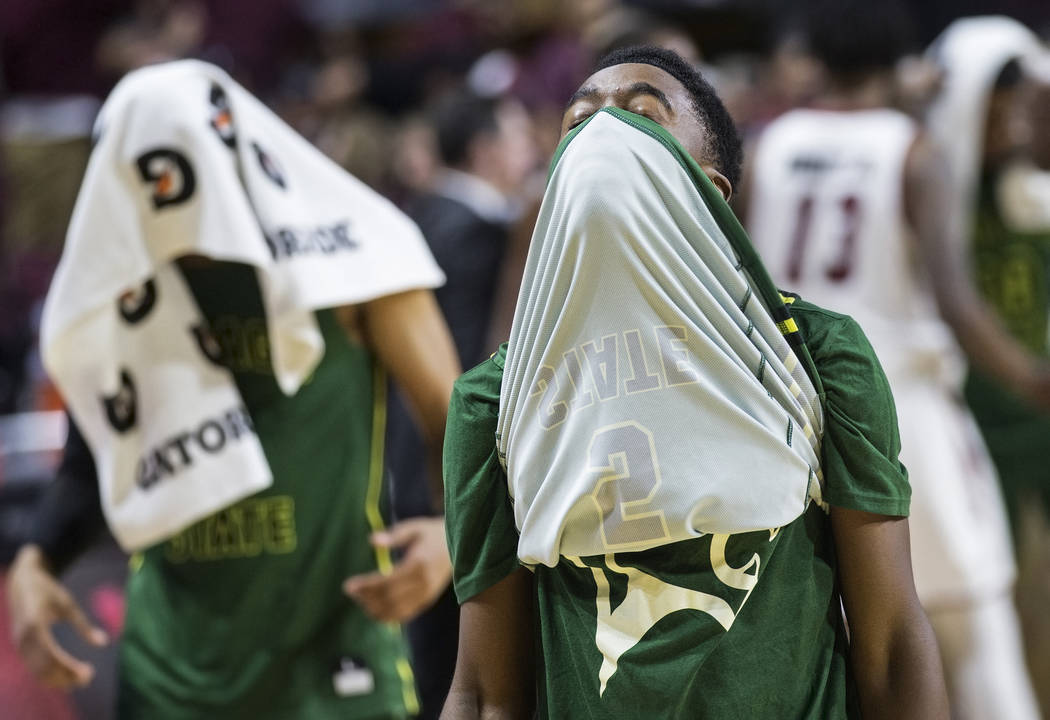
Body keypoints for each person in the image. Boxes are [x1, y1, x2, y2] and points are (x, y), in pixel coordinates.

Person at [441, 45, 948, 720]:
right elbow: (483, 692)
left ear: (711, 191)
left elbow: (889, 643)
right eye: (577, 121)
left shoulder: (820, 355)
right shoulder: (491, 401)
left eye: (643, 114)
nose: (603, 132)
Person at [7, 61, 459, 719]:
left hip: (334, 658)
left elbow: (457, 423)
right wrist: (35, 560)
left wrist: (454, 535)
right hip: (171, 674)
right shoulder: (118, 293)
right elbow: (90, 463)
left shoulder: (358, 269)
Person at [745, 5, 1043, 719]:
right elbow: (960, 308)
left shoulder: (767, 146)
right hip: (904, 414)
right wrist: (1035, 378)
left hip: (792, 418)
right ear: (900, 55)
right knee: (976, 636)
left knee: (849, 644)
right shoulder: (914, 151)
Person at [384, 86, 536, 720]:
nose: (529, 152)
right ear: (485, 151)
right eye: (519, 138)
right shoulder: (477, 230)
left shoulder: (415, 216)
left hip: (399, 453)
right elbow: (474, 368)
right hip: (447, 464)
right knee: (463, 660)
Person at [927, 16, 1050, 716]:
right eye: (994, 107)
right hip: (977, 418)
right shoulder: (938, 180)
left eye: (1020, 107)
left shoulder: (1037, 175)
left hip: (1039, 414)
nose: (1010, 123)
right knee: (993, 600)